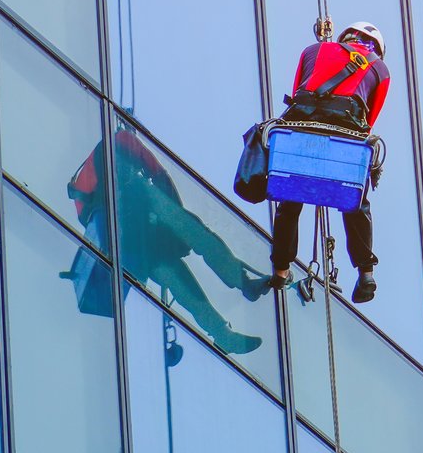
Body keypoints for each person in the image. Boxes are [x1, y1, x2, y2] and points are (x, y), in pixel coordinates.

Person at [68, 126, 272, 356]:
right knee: (195, 241)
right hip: (138, 226)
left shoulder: (88, 178)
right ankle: (241, 286)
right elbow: (159, 174)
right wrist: (177, 224)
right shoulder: (123, 141)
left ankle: (223, 333)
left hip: (132, 240)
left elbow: (89, 219)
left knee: (179, 282)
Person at [270, 21, 390, 304]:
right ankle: (366, 273)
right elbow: (370, 119)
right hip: (344, 131)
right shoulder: (380, 69)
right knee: (354, 199)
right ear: (377, 48)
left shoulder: (312, 49)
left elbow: (299, 88)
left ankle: (280, 269)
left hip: (302, 127)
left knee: (290, 199)